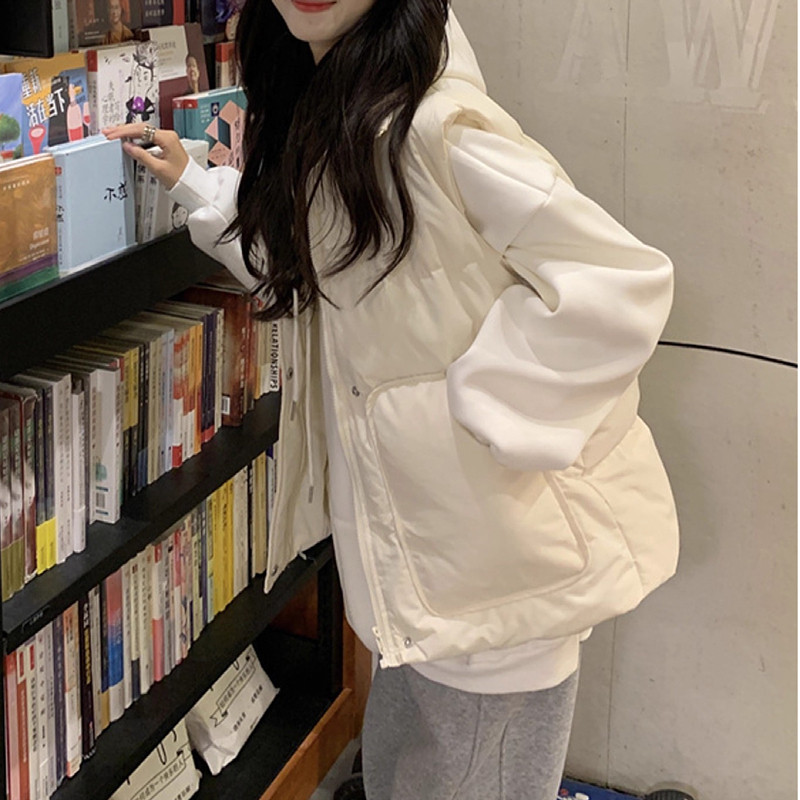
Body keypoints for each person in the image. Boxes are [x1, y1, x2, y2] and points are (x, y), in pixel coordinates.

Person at [104, 2, 679, 798]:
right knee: (405, 769)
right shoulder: (344, 111)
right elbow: (321, 267)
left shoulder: (434, 126)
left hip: (490, 579)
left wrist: (484, 408)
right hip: (426, 579)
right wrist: (197, 183)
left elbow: (618, 282)